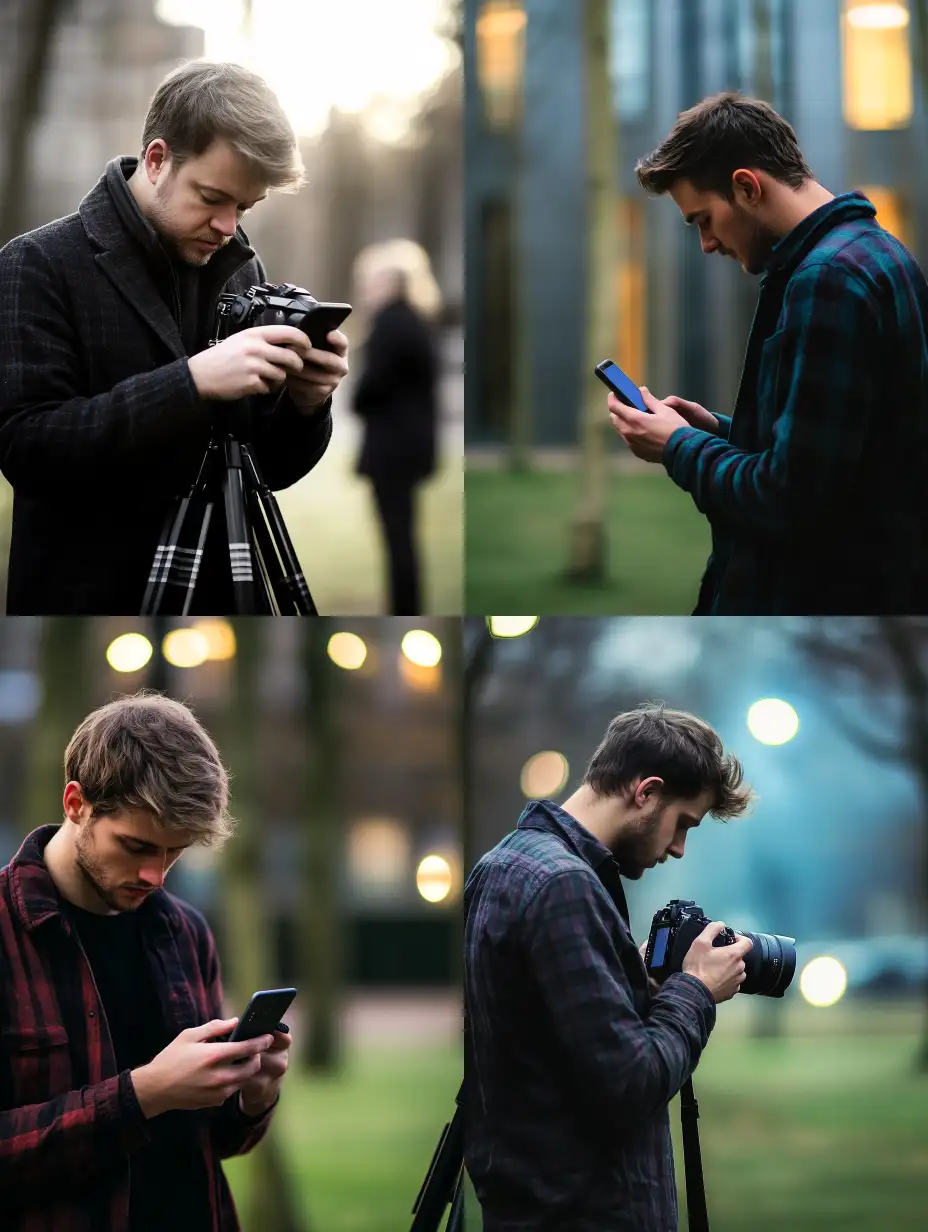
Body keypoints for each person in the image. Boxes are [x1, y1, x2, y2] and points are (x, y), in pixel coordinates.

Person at [0, 60, 349, 615]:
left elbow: (266, 469)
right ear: (158, 159)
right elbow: (26, 448)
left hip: (225, 587)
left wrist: (307, 405)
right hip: (89, 595)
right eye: (213, 197)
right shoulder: (36, 263)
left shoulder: (240, 272)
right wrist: (190, 383)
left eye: (245, 206)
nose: (228, 226)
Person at [607, 91, 928, 616]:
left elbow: (788, 501)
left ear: (746, 186)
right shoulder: (881, 252)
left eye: (703, 220)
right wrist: (716, 430)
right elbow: (843, 457)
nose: (707, 243)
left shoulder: (826, 279)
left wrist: (678, 447)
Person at [0, 693, 291, 1231]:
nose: (156, 876)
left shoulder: (185, 933)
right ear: (75, 803)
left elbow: (214, 1143)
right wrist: (141, 1096)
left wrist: (255, 1095)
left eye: (174, 852)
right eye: (136, 846)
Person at [464, 705, 755, 1232]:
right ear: (645, 791)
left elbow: (549, 1050)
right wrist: (695, 989)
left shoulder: (505, 864)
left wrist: (633, 980)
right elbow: (629, 1083)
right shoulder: (564, 886)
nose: (679, 848)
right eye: (682, 823)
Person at [351, 239, 441, 615]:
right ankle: (407, 602)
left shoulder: (389, 324)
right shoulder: (418, 322)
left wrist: (356, 397)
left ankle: (404, 606)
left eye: (372, 281)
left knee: (397, 538)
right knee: (404, 535)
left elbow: (374, 385)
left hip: (392, 449)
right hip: (413, 446)